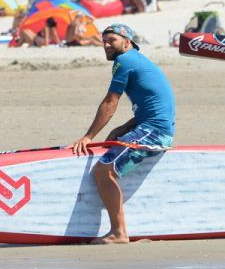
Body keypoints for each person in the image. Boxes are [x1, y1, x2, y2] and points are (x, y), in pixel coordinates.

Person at [70, 24, 175, 244]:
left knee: (103, 171)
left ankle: (118, 232)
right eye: (104, 40)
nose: (106, 45)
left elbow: (110, 102)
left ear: (127, 42)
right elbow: (152, 104)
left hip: (154, 132)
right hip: (151, 127)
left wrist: (88, 136)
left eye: (112, 40)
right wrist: (125, 128)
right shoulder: (137, 60)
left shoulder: (124, 61)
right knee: (112, 150)